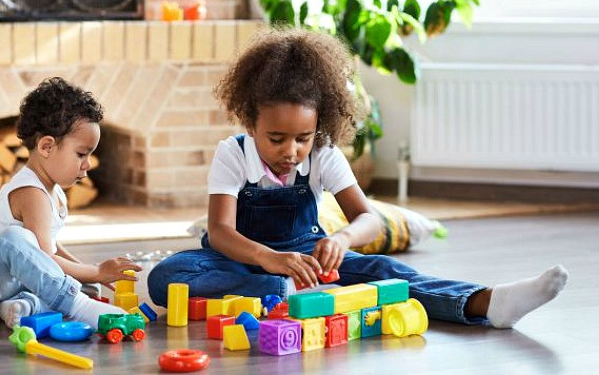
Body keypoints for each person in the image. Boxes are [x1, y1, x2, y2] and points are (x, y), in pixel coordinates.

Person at [147, 29, 568, 328]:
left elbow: (369, 219)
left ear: (319, 127)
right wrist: (270, 260)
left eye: (302, 138)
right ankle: (284, 290)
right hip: (240, 259)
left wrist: (343, 240)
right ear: (250, 123)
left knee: (385, 269)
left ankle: (487, 303)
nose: (291, 151)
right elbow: (221, 232)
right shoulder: (233, 153)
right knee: (168, 276)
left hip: (309, 260)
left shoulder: (324, 154)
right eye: (276, 138)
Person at [0, 77, 140, 329]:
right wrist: (96, 271)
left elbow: (50, 247)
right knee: (15, 239)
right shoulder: (32, 193)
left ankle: (25, 305)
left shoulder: (55, 191)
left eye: (91, 154)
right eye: (81, 154)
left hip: (10, 277)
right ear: (47, 147)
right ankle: (77, 307)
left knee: (86, 285)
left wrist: (89, 272)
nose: (87, 164)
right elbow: (44, 256)